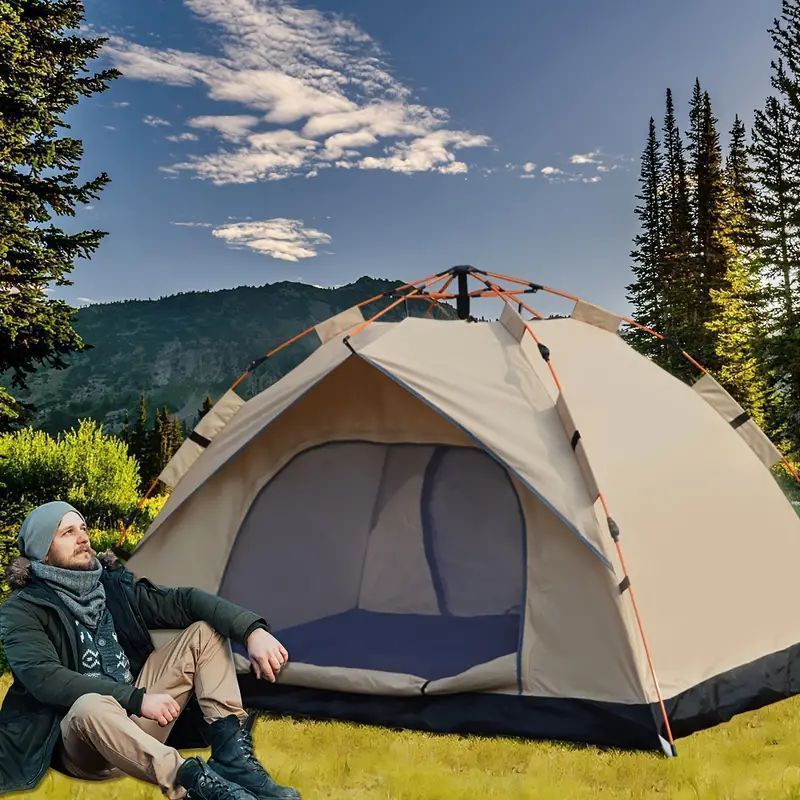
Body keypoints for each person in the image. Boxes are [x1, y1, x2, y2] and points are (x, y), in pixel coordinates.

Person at [0, 501, 301, 800]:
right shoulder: (22, 609)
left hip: (138, 722)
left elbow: (186, 601)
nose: (83, 537)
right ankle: (194, 783)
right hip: (80, 742)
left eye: (83, 528)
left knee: (204, 632)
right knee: (89, 704)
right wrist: (138, 699)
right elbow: (46, 679)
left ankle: (232, 758)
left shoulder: (113, 588)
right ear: (42, 550)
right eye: (67, 532)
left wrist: (251, 631)